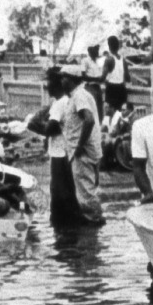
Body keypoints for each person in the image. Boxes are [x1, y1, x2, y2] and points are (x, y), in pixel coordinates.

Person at [27, 67, 80, 225]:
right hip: (62, 151)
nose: (46, 86)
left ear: (56, 85)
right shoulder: (61, 102)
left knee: (60, 191)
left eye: (49, 83)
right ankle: (65, 223)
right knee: (64, 191)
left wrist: (36, 123)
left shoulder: (59, 104)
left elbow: (50, 129)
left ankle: (63, 224)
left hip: (60, 153)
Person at [59, 64, 104, 224]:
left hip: (83, 152)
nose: (61, 81)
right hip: (86, 151)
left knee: (86, 193)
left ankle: (93, 223)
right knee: (87, 190)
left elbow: (89, 119)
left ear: (71, 80)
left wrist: (79, 146)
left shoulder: (79, 96)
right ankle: (93, 220)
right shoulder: (79, 95)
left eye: (63, 78)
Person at [101, 36, 129, 117]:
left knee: (110, 114)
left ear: (109, 46)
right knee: (120, 114)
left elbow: (102, 77)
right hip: (121, 88)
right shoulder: (123, 59)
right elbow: (127, 76)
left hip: (111, 89)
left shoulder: (108, 59)